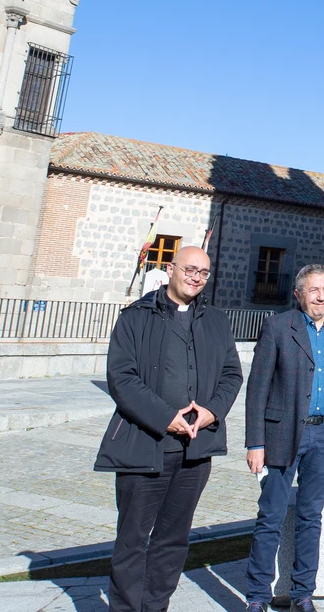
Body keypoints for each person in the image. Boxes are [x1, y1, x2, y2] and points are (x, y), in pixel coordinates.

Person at [93, 245, 243, 612]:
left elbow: (231, 374)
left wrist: (212, 411)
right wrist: (164, 417)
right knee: (131, 540)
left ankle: (157, 606)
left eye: (204, 273)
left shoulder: (217, 320)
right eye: (190, 269)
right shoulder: (135, 317)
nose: (196, 277)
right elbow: (122, 378)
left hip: (195, 450)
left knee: (174, 539)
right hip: (145, 445)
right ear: (171, 269)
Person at [242, 264, 324, 612]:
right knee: (271, 516)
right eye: (313, 290)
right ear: (299, 294)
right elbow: (257, 387)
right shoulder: (278, 326)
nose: (321, 296)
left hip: (323, 436)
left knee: (311, 516)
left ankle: (303, 593)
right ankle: (257, 596)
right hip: (281, 435)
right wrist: (255, 443)